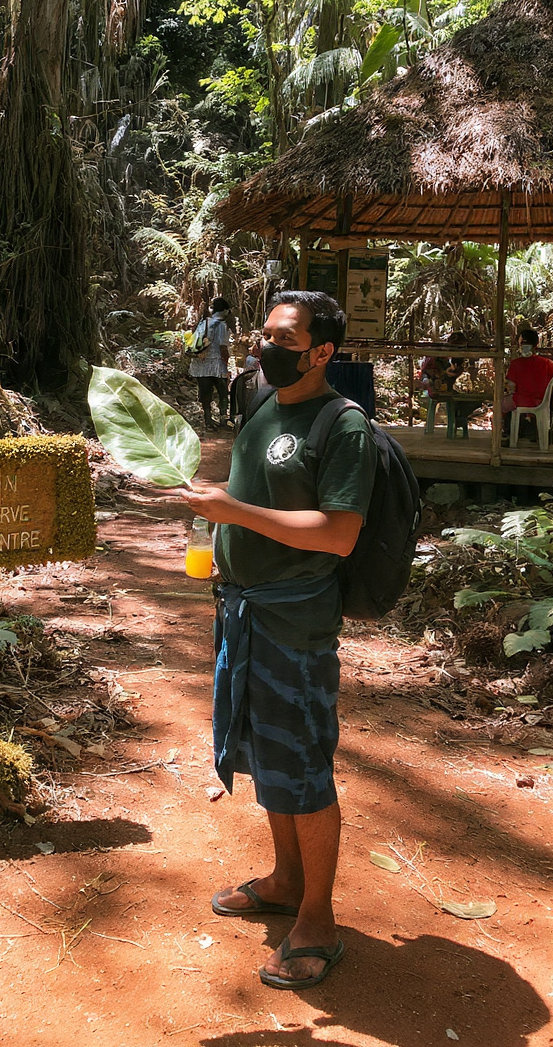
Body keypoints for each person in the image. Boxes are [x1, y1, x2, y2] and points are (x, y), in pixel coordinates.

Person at [175, 290, 377, 988]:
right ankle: (288, 880)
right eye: (264, 334)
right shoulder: (260, 402)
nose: (266, 348)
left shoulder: (342, 425)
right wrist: (222, 517)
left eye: (284, 339)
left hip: (296, 620)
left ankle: (317, 918)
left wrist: (234, 512)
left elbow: (340, 533)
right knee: (264, 755)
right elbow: (253, 488)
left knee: (303, 768)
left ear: (322, 352)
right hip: (242, 612)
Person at [188, 297, 231, 431]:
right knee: (223, 393)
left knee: (205, 393)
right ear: (225, 311)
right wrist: (226, 364)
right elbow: (223, 348)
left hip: (200, 364)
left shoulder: (203, 322)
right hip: (217, 365)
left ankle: (208, 421)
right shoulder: (223, 326)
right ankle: (223, 420)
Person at [503, 328, 553, 439]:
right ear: (536, 344)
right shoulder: (548, 364)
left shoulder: (516, 364)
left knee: (500, 404)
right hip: (544, 403)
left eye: (522, 343)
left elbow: (511, 386)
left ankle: (506, 434)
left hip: (520, 401)